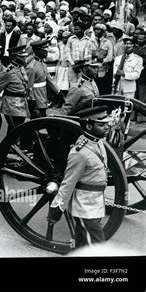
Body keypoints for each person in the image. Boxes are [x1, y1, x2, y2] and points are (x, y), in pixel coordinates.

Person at [48, 106, 111, 248]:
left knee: (82, 245)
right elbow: (68, 183)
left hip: (96, 203)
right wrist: (56, 209)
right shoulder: (79, 153)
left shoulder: (98, 141)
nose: (106, 127)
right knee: (96, 247)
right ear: (89, 126)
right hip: (85, 207)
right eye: (101, 125)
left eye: (107, 123)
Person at [0, 45, 30, 133]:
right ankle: (9, 146)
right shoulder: (7, 72)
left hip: (21, 103)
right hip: (11, 105)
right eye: (22, 57)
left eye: (25, 56)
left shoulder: (20, 68)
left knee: (18, 129)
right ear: (14, 57)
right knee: (14, 130)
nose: (25, 59)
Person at [26, 40, 61, 118]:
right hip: (36, 97)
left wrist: (59, 93)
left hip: (43, 95)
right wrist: (33, 104)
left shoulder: (42, 63)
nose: (46, 52)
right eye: (44, 50)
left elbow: (49, 80)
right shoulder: (31, 67)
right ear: (37, 51)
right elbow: (29, 87)